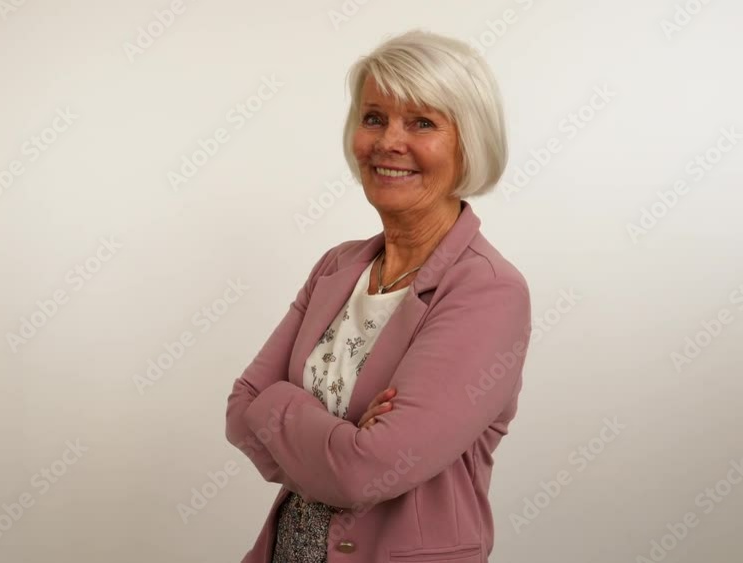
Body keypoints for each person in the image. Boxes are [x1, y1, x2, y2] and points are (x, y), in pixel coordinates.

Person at [225, 28, 532, 563]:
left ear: (469, 142)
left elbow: (367, 473)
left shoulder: (488, 290)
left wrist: (280, 408)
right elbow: (240, 410)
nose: (388, 141)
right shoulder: (338, 266)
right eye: (374, 118)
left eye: (422, 122)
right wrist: (341, 438)